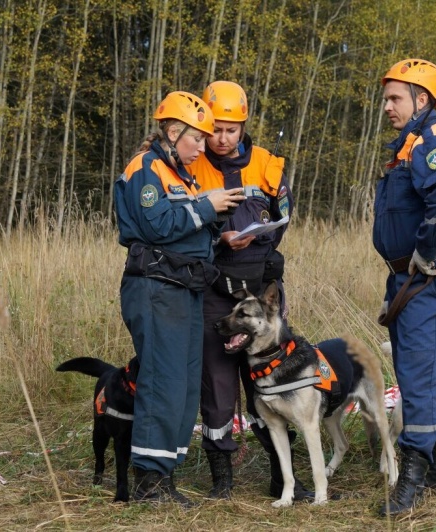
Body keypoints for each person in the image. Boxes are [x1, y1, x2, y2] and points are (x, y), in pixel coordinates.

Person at [113, 91, 246, 507]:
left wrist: (217, 226)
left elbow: (184, 228)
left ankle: (164, 475)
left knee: (184, 385)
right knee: (163, 383)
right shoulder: (146, 168)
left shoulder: (178, 173)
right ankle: (149, 483)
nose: (203, 148)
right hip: (156, 288)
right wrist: (207, 208)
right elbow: (157, 226)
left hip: (184, 288)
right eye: (197, 139)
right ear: (173, 132)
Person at [184, 81, 309, 501]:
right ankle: (222, 480)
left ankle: (283, 477)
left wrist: (261, 242)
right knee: (218, 389)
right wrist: (219, 241)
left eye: (231, 130)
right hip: (214, 292)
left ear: (243, 125)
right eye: (216, 129)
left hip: (261, 294)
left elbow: (284, 215)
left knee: (270, 385)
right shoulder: (190, 164)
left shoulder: (269, 164)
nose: (222, 138)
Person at [372, 59, 436, 515]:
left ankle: (410, 479)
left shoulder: (433, 141)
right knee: (431, 377)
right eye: (387, 97)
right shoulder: (410, 144)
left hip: (426, 275)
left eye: (395, 97)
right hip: (411, 276)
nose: (386, 105)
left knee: (420, 378)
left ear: (422, 99)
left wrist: (426, 251)